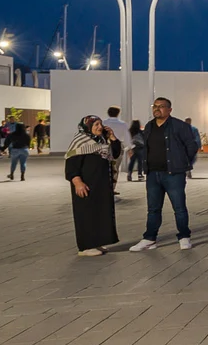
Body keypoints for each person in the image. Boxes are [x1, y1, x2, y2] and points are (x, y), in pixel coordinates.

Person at [130, 97, 200, 251]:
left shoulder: (179, 126)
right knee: (153, 208)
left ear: (169, 109)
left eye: (161, 106)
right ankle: (149, 238)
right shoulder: (149, 126)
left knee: (179, 207)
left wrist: (181, 162)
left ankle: (184, 236)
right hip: (153, 174)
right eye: (155, 106)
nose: (157, 109)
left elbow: (191, 146)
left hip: (173, 174)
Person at [65, 116, 121, 256]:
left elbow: (115, 153)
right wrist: (77, 182)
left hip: (100, 185)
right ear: (87, 127)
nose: (99, 127)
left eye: (100, 124)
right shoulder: (79, 142)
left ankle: (97, 242)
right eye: (96, 124)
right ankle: (85, 247)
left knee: (100, 213)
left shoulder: (102, 141)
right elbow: (71, 166)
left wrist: (113, 137)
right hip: (86, 185)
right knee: (86, 214)